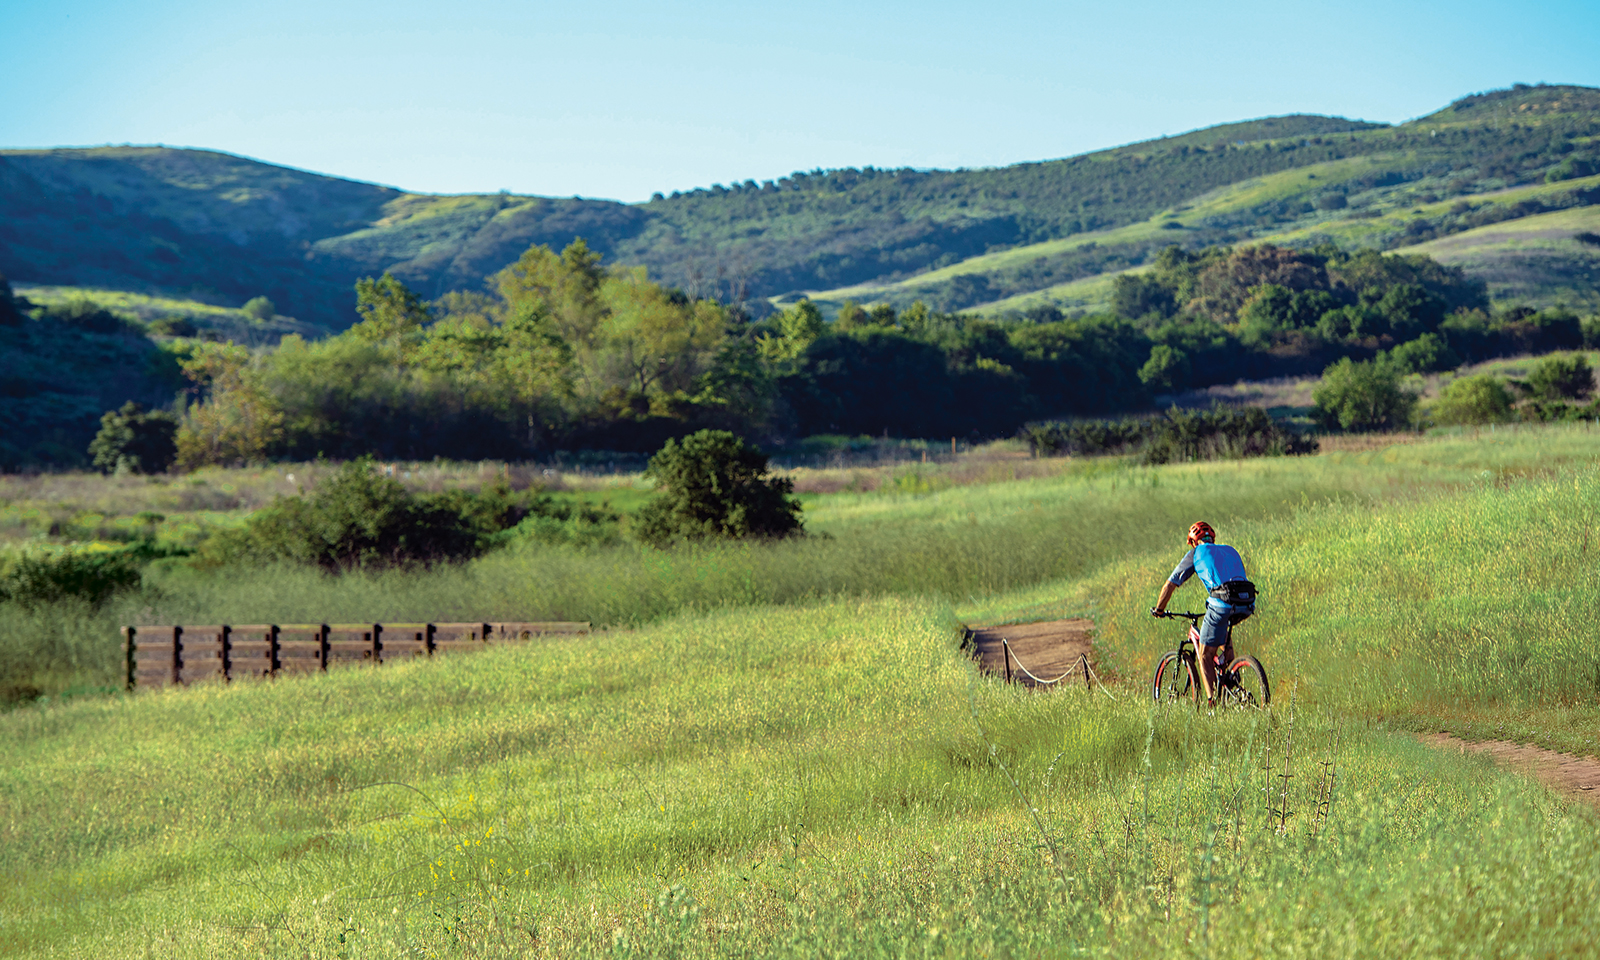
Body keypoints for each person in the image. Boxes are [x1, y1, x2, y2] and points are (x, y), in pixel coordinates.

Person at [1150, 521, 1257, 705]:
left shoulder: (1196, 552)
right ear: (1212, 539)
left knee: (1206, 654)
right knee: (1223, 632)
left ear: (1193, 541)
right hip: (1246, 602)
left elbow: (1170, 584)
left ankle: (1212, 705)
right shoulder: (1229, 549)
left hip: (1222, 602)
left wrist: (1159, 609)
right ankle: (1232, 679)